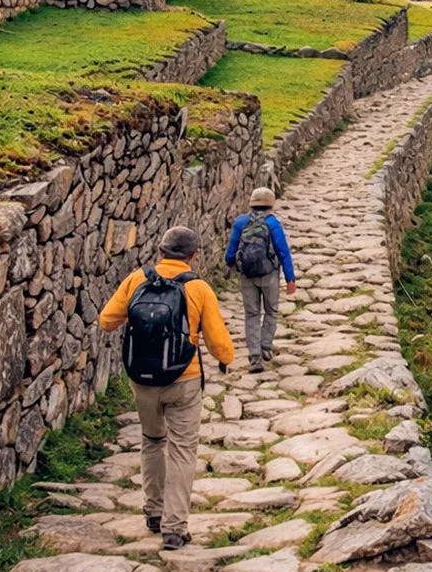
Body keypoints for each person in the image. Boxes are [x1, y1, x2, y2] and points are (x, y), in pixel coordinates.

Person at [98, 226, 234, 551]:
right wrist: (226, 358)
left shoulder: (136, 279)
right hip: (183, 379)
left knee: (152, 441)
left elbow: (106, 320)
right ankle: (174, 529)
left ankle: (153, 513)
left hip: (142, 379)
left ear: (159, 251)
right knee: (183, 450)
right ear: (193, 255)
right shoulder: (198, 288)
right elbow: (219, 342)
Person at [224, 186, 297, 373]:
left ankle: (254, 357)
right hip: (269, 275)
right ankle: (266, 347)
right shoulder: (273, 224)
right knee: (271, 311)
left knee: (251, 315)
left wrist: (230, 264)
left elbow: (231, 250)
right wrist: (290, 279)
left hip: (247, 276)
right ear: (271, 204)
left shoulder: (241, 222)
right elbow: (283, 252)